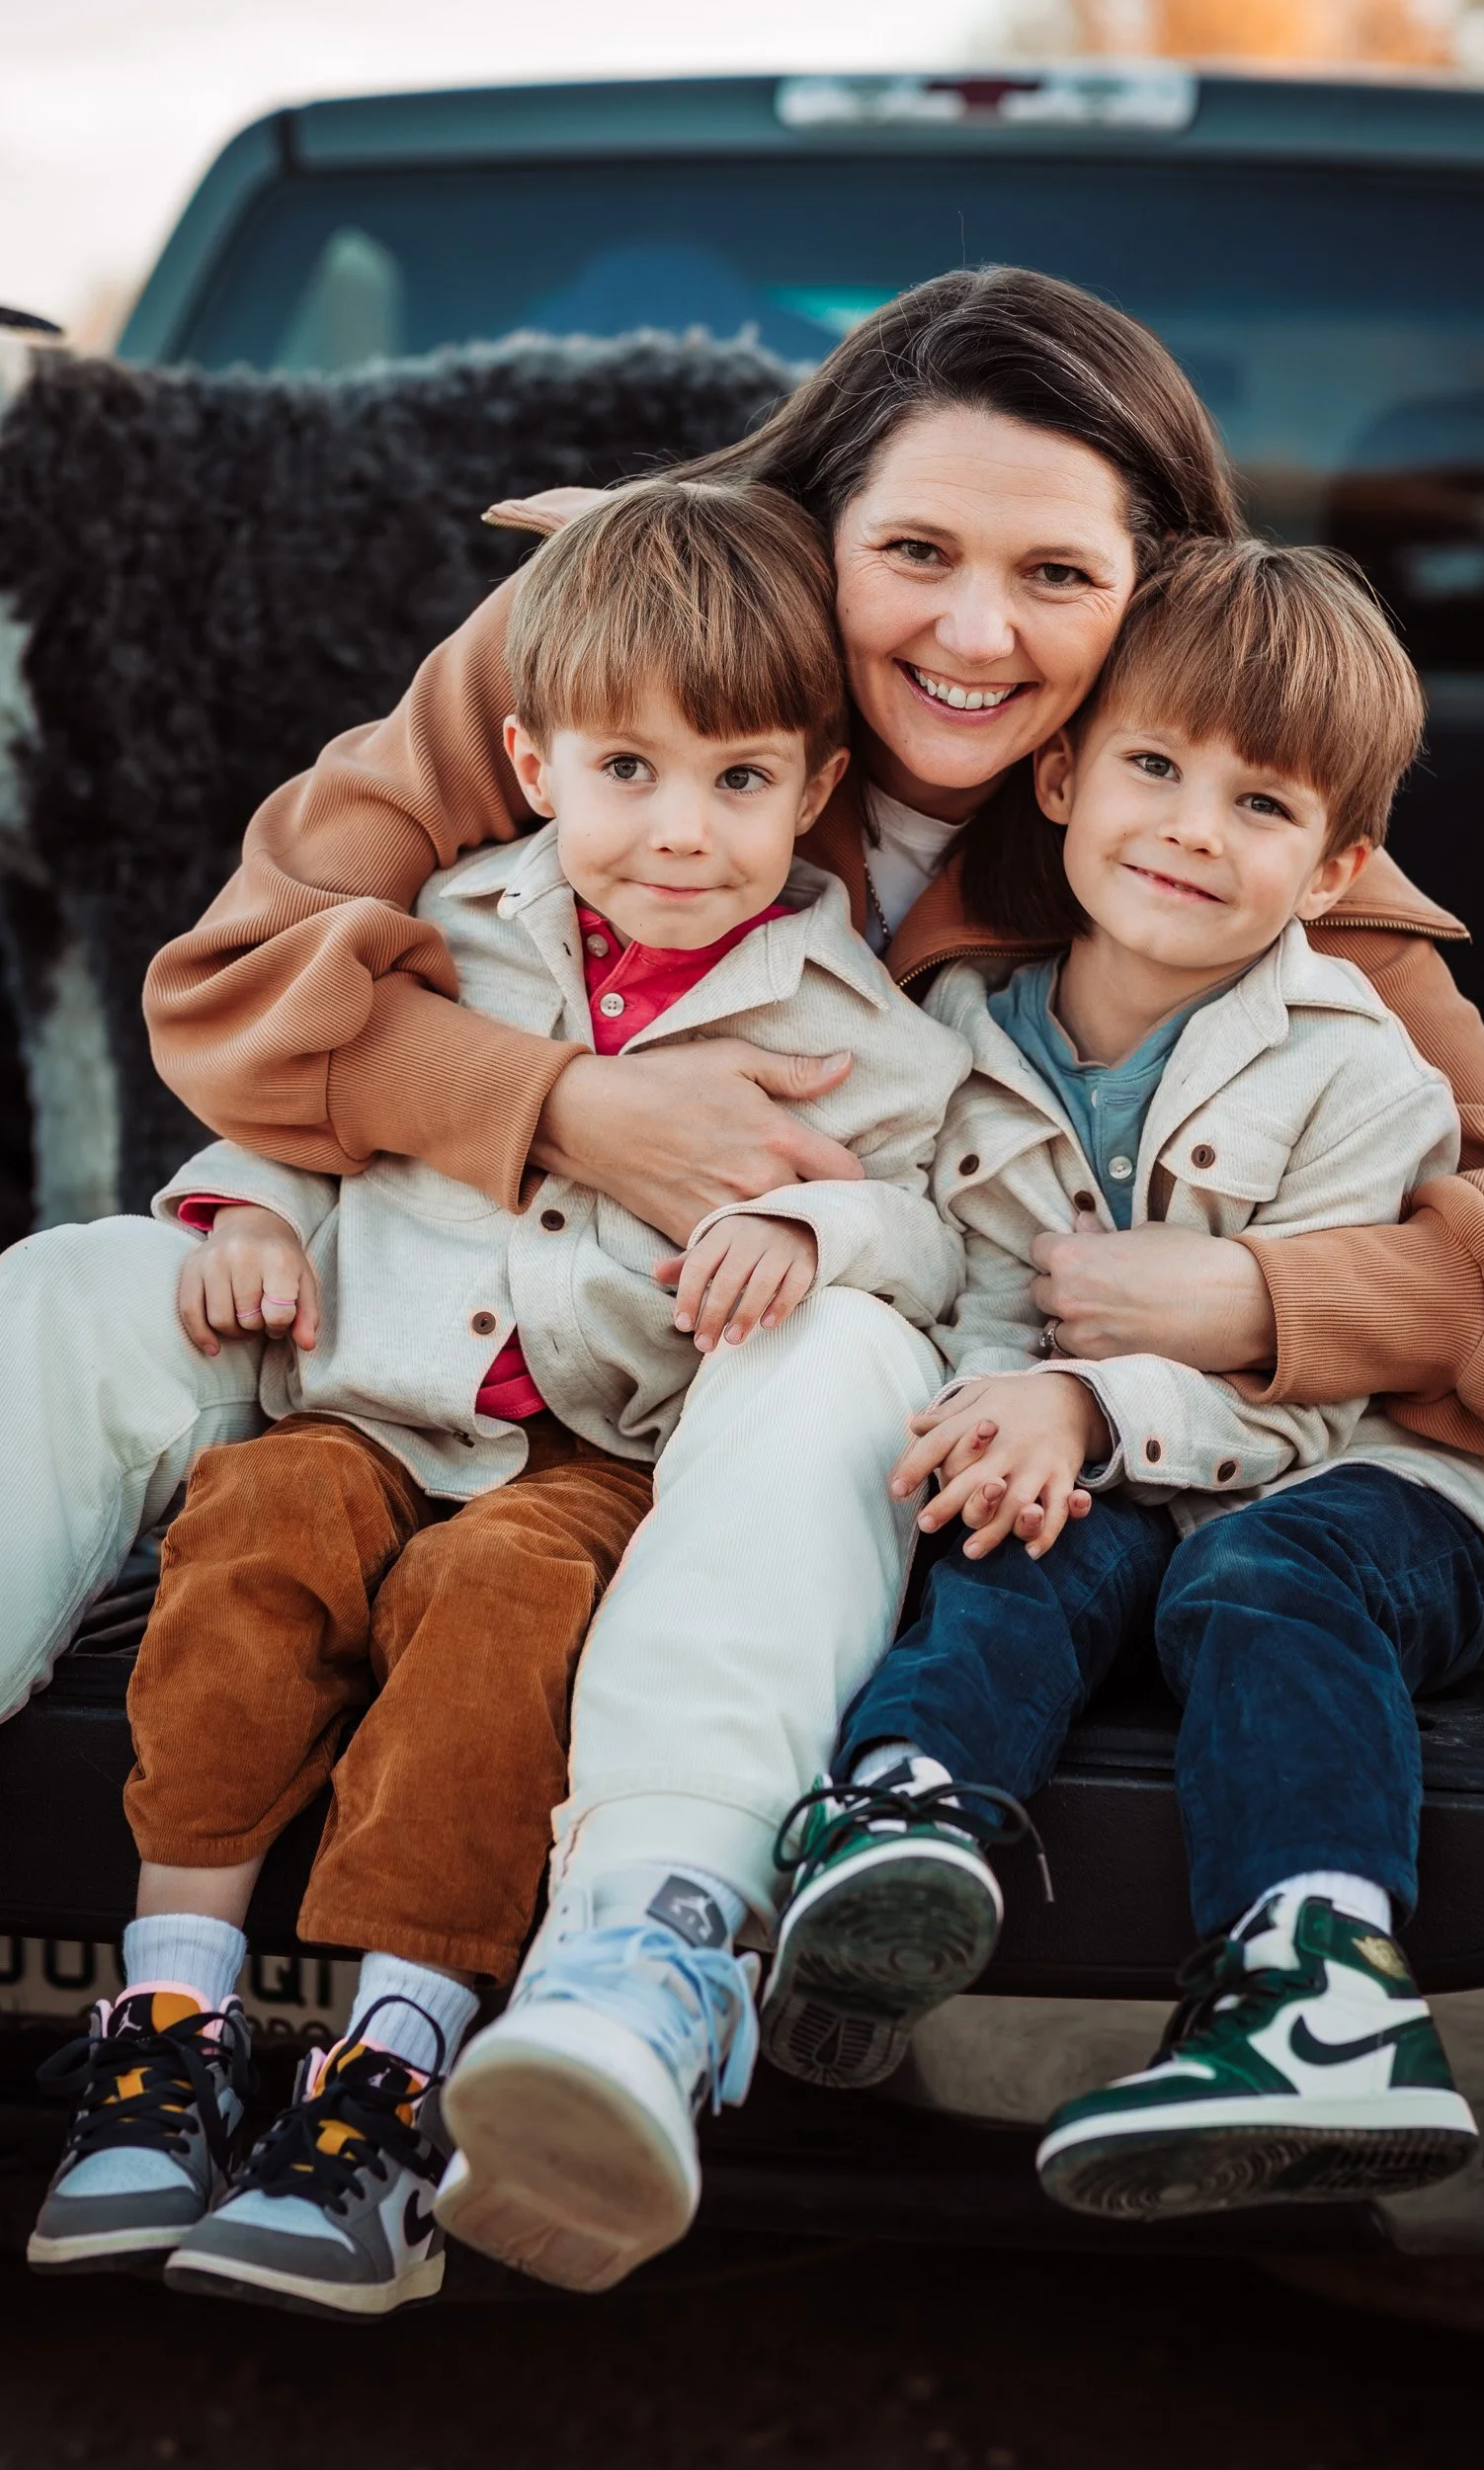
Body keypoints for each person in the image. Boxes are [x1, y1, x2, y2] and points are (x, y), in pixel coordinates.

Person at [2, 266, 1484, 2278]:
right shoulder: (615, 646)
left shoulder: (1192, 818)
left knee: (852, 1336)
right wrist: (562, 1106)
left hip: (767, 1397)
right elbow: (239, 979)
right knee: (80, 1278)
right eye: (916, 553)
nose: (973, 629)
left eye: (1053, 573)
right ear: (812, 535)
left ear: (1153, 595)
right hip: (444, 1307)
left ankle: (644, 1949)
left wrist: (1260, 1307)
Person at [25, 479, 968, 2318]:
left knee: (501, 1610)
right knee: (251, 1528)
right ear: (532, 759)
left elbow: (933, 1230)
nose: (682, 834)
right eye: (628, 772)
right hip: (372, 1402)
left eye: (740, 782)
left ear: (816, 789)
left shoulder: (847, 1014)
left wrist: (810, 1222)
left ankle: (387, 2072)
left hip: (595, 1453)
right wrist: (243, 1212)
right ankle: (168, 2021)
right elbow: (305, 1098)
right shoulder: (443, 929)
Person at [764, 538, 1484, 2223]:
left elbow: (1317, 1396)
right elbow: (981, 1311)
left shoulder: (1359, 1069)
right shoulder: (962, 1045)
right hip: (1124, 1479)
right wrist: (1005, 1426)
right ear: (1057, 776)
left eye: (1261, 806)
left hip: (1367, 1503)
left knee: (1254, 1583)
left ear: (1336, 862)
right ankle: (904, 1835)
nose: (1194, 826)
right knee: (1005, 1538)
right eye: (1152, 766)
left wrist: (1090, 1408)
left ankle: (1320, 1993)